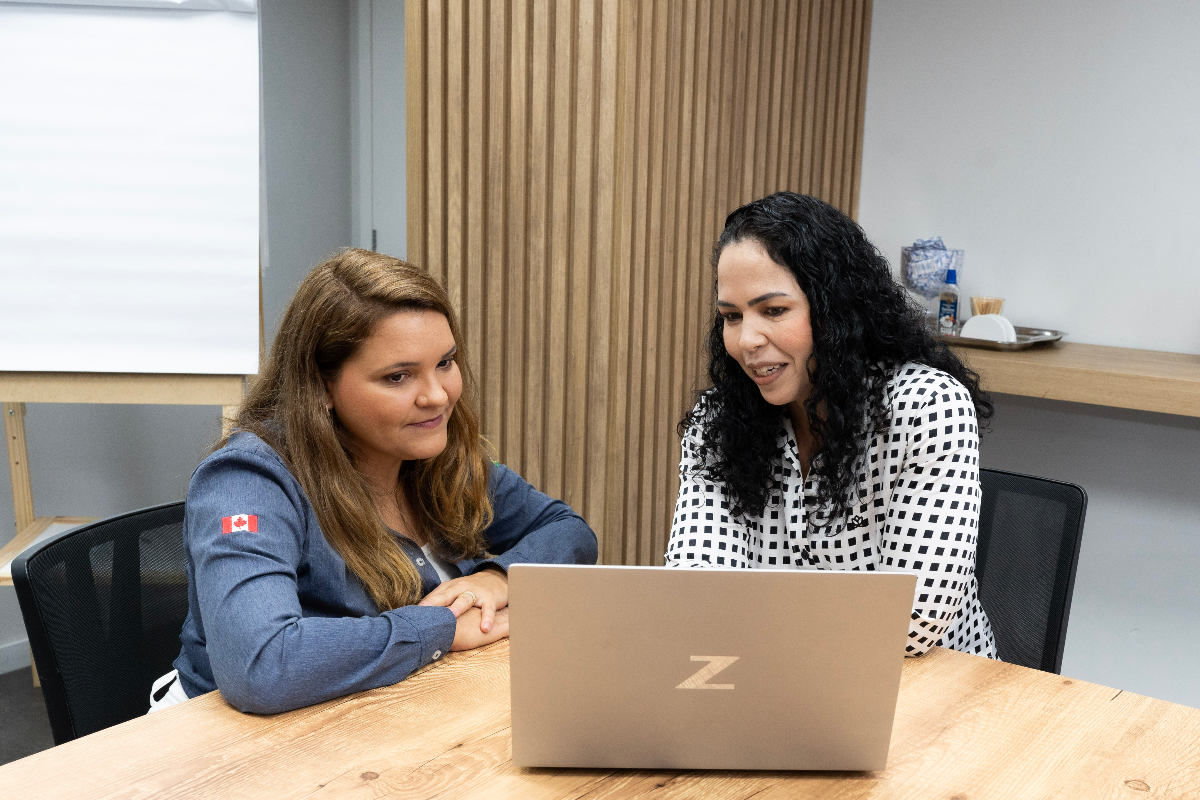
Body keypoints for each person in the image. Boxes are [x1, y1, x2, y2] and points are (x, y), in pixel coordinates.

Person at [153, 249, 597, 714]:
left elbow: (568, 532)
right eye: (398, 376)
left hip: (381, 715)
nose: (436, 395)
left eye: (445, 362)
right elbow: (263, 667)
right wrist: (438, 627)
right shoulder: (249, 478)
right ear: (320, 387)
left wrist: (498, 578)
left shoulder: (432, 452)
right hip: (221, 748)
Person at [665, 192, 997, 658]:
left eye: (774, 311)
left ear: (833, 310)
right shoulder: (719, 420)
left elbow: (912, 622)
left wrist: (747, 622)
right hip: (777, 679)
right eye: (731, 317)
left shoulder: (926, 406)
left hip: (934, 687)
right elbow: (698, 587)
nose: (746, 340)